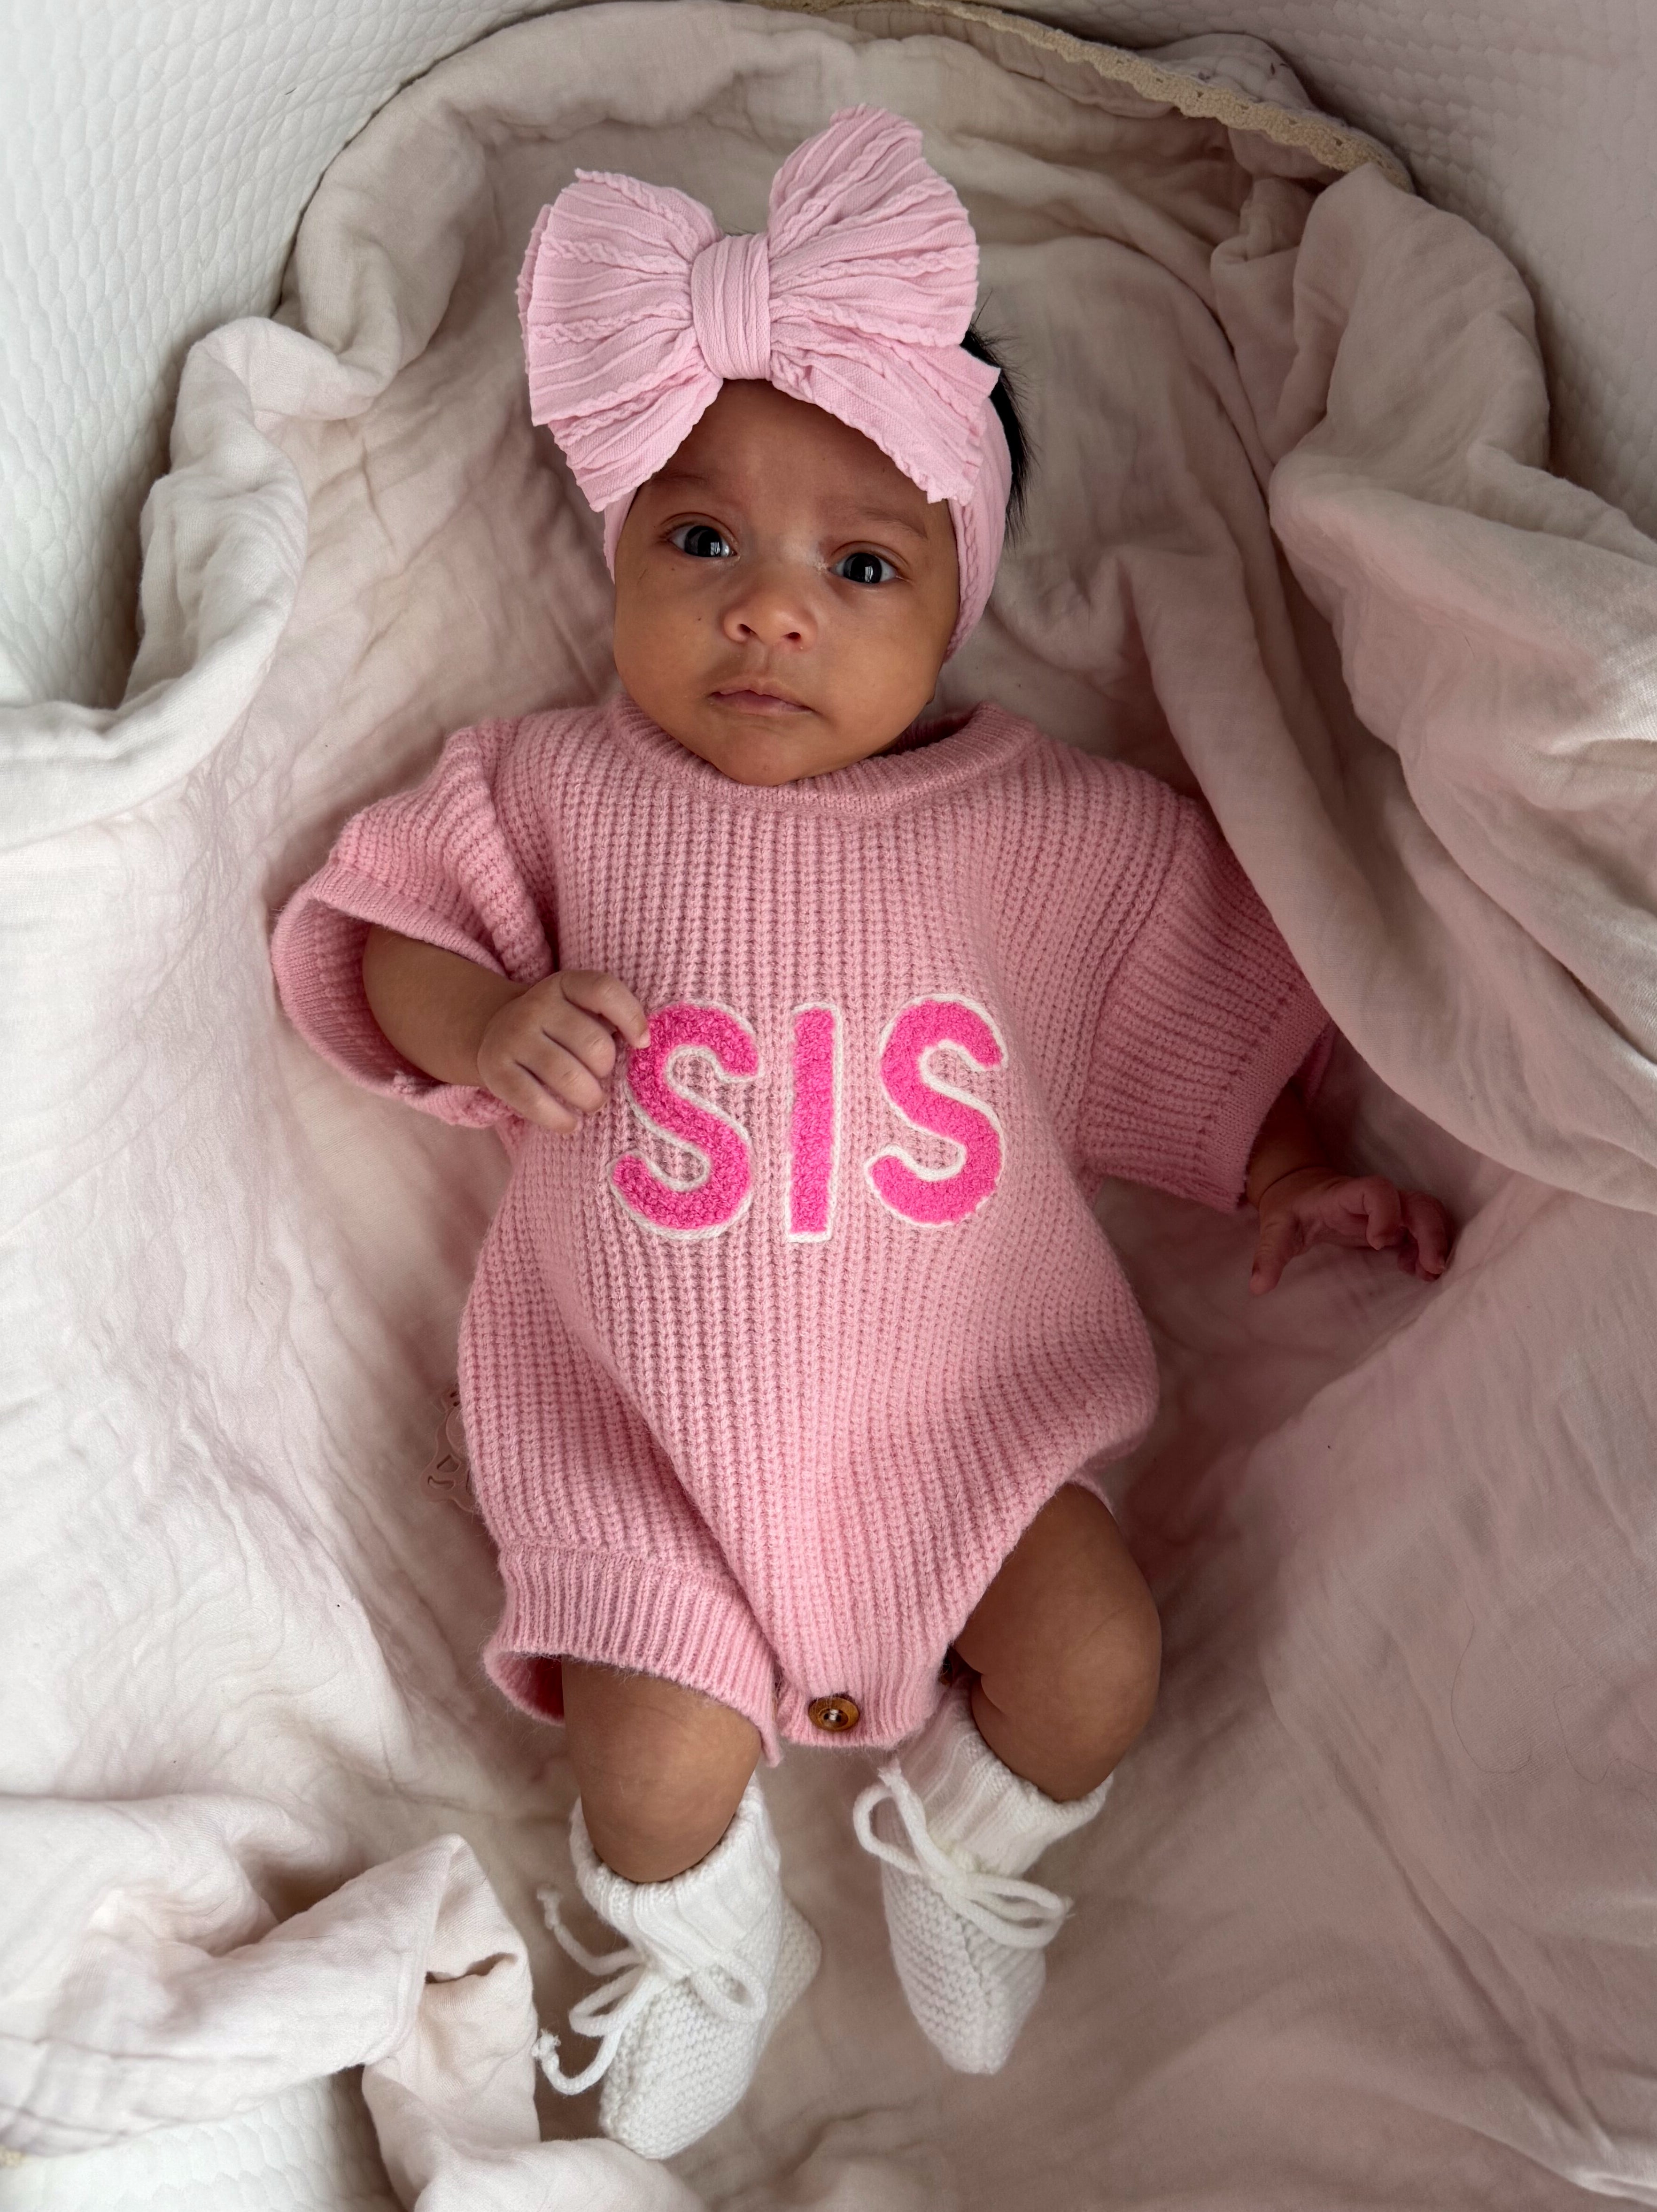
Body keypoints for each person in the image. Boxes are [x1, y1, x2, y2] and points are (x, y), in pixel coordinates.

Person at [271, 106, 1451, 2161]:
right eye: (700, 541)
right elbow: (380, 942)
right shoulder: (555, 790)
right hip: (646, 1440)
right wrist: (492, 1012)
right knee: (642, 1763)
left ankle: (973, 1832)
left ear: (955, 606)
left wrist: (1279, 1165)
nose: (769, 612)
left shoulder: (1041, 828)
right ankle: (712, 1931)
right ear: (620, 558)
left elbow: (1185, 1002)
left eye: (863, 562)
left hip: (961, 1425)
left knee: (1095, 1659)